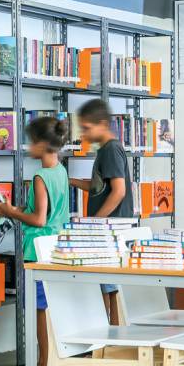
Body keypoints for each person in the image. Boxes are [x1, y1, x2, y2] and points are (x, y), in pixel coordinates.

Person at [0, 116, 71, 366]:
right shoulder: (60, 171)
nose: (27, 146)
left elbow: (38, 219)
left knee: (40, 312)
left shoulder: (40, 176)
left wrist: (9, 211)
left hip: (37, 249)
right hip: (57, 246)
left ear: (41, 145)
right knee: (50, 309)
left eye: (30, 142)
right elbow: (46, 212)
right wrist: (16, 209)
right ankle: (44, 362)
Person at [69, 98, 133, 324]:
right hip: (105, 228)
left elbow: (119, 191)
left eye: (87, 129)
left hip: (109, 229)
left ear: (103, 123)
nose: (84, 135)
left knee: (107, 285)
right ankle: (106, 332)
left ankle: (108, 333)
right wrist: (70, 181)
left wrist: (95, 221)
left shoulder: (111, 150)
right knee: (105, 284)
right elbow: (98, 186)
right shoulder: (104, 150)